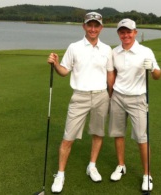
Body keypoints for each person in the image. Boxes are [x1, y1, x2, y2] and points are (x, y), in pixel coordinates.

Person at [47, 12, 114, 193]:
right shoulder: (74, 47)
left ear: (101, 27)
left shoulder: (107, 49)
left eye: (96, 25)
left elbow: (109, 75)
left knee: (97, 133)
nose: (93, 29)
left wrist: (112, 96)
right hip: (80, 97)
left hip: (101, 96)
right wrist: (55, 64)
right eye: (89, 25)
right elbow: (64, 71)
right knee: (68, 137)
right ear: (83, 26)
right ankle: (60, 174)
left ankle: (92, 165)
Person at [108, 18, 161, 192]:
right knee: (118, 133)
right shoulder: (114, 52)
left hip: (138, 99)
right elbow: (113, 74)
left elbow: (157, 76)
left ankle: (147, 174)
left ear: (135, 33)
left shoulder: (145, 51)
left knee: (141, 138)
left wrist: (152, 68)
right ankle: (121, 165)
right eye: (122, 32)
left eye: (129, 32)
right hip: (117, 96)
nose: (126, 35)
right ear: (118, 34)